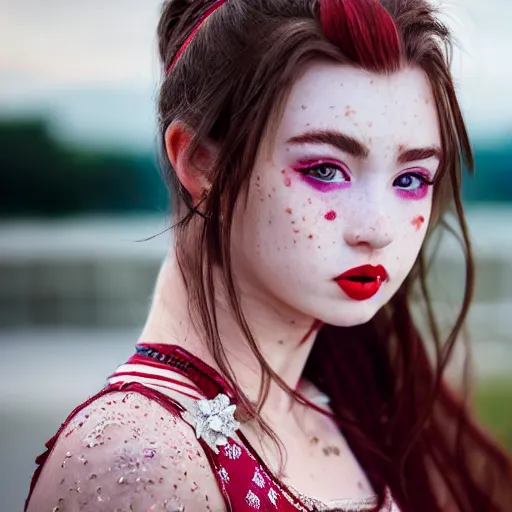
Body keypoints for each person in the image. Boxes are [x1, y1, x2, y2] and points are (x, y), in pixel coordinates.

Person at [25, 0, 512, 511]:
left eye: (410, 179)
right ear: (201, 164)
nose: (377, 230)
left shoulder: (345, 407)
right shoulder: (135, 464)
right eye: (325, 169)